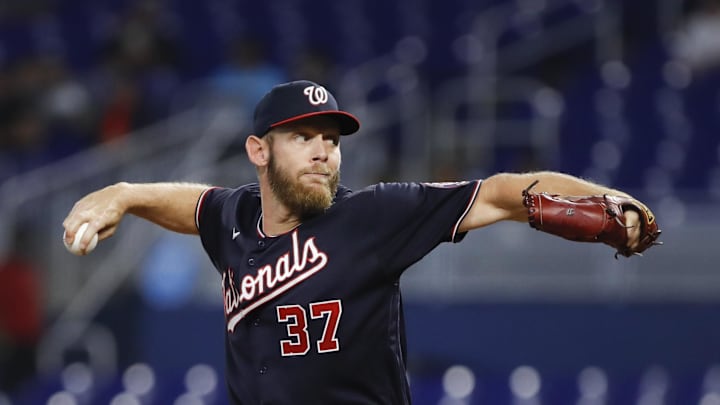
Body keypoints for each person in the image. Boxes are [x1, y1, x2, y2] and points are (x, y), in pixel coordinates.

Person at [63, 80, 659, 404]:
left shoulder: (374, 216)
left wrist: (608, 198)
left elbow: (503, 192)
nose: (324, 150)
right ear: (259, 151)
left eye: (332, 138)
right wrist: (122, 193)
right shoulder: (236, 217)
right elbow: (190, 205)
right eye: (304, 137)